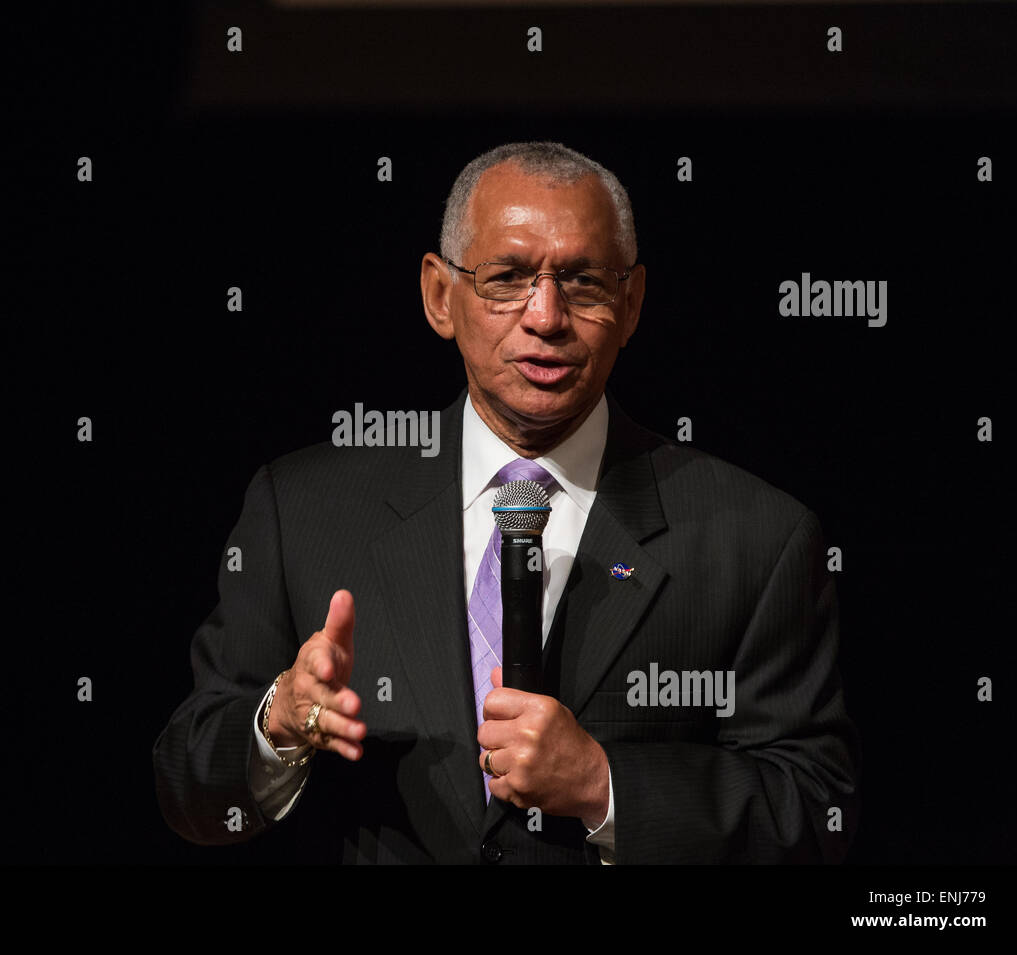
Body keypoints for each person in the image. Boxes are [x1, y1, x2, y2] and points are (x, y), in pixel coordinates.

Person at [152, 141, 859, 864]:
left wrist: (604, 785)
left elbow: (815, 811)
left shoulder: (757, 537)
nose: (545, 316)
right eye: (509, 277)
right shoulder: (299, 512)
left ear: (632, 301)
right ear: (440, 296)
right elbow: (189, 792)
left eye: (582, 281)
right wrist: (279, 725)